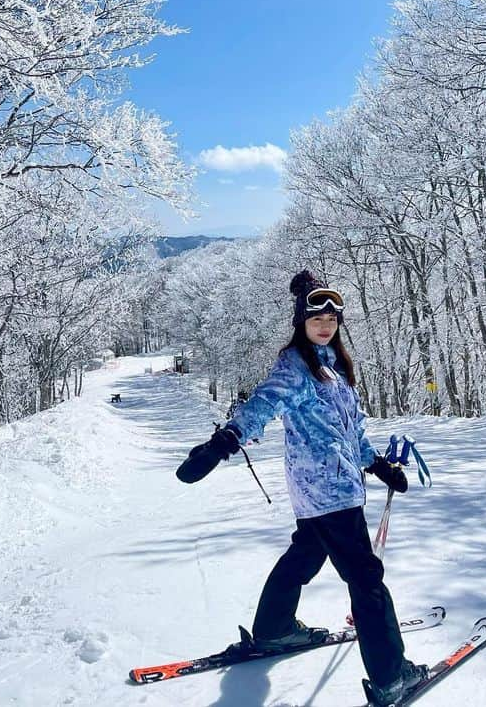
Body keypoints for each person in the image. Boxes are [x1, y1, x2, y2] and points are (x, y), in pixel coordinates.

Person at [175, 270, 424, 706]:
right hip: (329, 491)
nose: (325, 325)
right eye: (316, 319)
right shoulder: (295, 366)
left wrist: (378, 465)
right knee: (365, 577)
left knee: (306, 553)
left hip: (321, 490)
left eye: (332, 319)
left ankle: (274, 630)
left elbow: (350, 431)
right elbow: (263, 404)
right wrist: (224, 442)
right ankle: (391, 675)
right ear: (301, 321)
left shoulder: (334, 368)